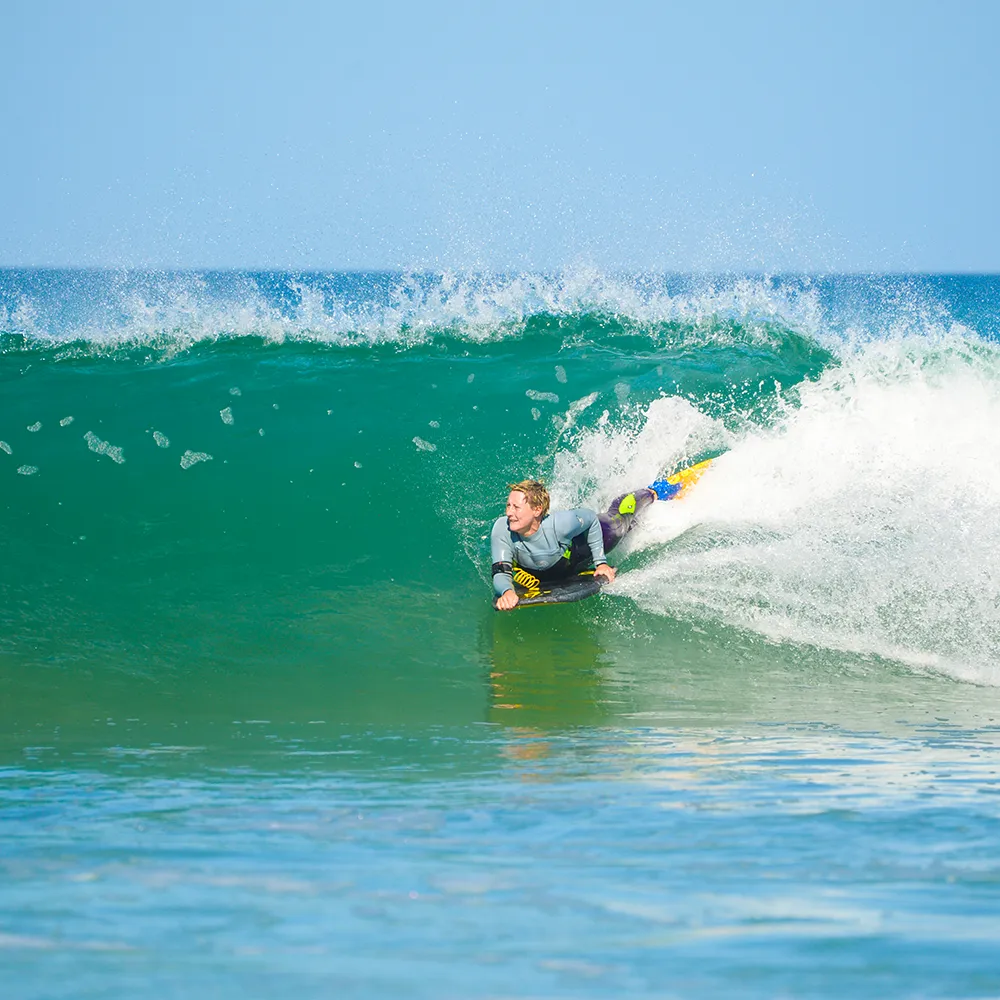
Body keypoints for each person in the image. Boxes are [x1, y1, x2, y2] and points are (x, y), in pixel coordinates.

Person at [491, 478, 670, 611]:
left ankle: (652, 492)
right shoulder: (502, 529)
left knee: (618, 526)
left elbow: (591, 519)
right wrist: (507, 591)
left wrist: (601, 563)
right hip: (546, 570)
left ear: (537, 510)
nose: (509, 512)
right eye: (508, 506)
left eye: (516, 507)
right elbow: (500, 572)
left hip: (580, 550)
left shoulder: (559, 524)